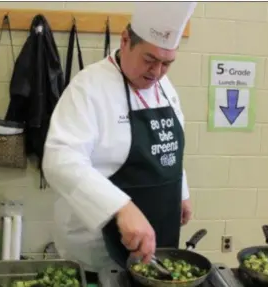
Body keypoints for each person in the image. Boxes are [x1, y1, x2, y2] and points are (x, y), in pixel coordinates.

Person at [42, 1, 197, 275]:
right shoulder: (88, 88)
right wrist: (120, 207)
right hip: (97, 250)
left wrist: (181, 192)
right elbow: (60, 160)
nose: (157, 72)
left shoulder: (164, 86)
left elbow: (167, 146)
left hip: (154, 242)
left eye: (167, 64)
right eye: (149, 60)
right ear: (125, 40)